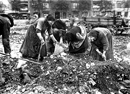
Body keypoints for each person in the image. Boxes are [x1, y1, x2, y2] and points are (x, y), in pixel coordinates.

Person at [0, 14, 14, 83]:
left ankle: (8, 57)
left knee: (5, 41)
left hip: (5, 25)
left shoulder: (4, 20)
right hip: (1, 25)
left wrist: (11, 23)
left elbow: (8, 16)